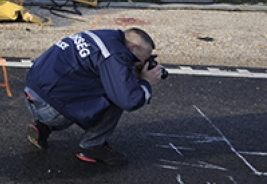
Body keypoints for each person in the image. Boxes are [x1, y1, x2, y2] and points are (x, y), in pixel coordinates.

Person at [23, 27, 165, 165]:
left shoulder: (106, 36)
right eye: (142, 59)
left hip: (34, 94)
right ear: (132, 48)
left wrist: (132, 71)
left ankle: (43, 127)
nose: (142, 64)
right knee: (118, 94)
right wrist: (146, 82)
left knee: (101, 82)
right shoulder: (115, 55)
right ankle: (92, 146)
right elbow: (129, 100)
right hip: (50, 108)